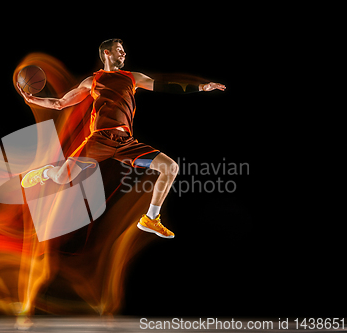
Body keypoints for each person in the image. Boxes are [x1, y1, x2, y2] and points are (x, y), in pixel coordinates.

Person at [17, 38, 225, 239]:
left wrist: (201, 87)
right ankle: (46, 172)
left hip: (125, 143)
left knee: (170, 167)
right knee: (63, 178)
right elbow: (60, 104)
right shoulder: (93, 81)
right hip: (99, 140)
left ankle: (151, 219)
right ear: (107, 53)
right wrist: (34, 99)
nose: (124, 53)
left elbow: (165, 85)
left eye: (123, 50)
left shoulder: (133, 77)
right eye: (119, 49)